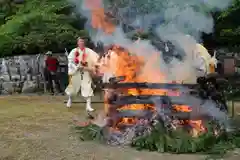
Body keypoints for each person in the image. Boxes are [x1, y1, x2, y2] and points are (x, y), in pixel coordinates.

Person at [65, 37, 99, 111]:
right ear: (77, 43)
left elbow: (96, 58)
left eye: (83, 41)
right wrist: (76, 67)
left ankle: (88, 106)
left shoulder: (89, 51)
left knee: (88, 87)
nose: (81, 43)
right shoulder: (74, 51)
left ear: (84, 43)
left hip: (85, 71)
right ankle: (70, 100)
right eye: (80, 41)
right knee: (72, 90)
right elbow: (70, 62)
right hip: (76, 72)